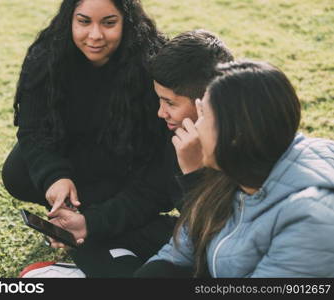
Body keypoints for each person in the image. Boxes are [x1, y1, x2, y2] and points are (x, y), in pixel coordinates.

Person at [25, 29, 233, 277]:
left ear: (205, 101)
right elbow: (148, 193)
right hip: (187, 237)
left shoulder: (240, 144)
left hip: (220, 256)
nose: (161, 112)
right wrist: (88, 224)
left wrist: (194, 172)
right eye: (159, 100)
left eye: (170, 103)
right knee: (89, 239)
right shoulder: (176, 133)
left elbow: (224, 239)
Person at [1, 0, 171, 277]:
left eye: (108, 22)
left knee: (112, 220)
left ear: (126, 21)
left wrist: (94, 220)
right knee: (18, 171)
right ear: (70, 19)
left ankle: (95, 223)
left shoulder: (152, 62)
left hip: (128, 162)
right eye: (83, 21)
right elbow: (33, 129)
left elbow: (158, 166)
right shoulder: (46, 55)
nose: (94, 35)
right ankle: (81, 217)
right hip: (81, 154)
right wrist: (55, 177)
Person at [135, 60, 334, 277]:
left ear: (234, 136)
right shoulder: (237, 170)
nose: (197, 126)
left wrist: (194, 176)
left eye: (204, 117)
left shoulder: (309, 220)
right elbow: (182, 249)